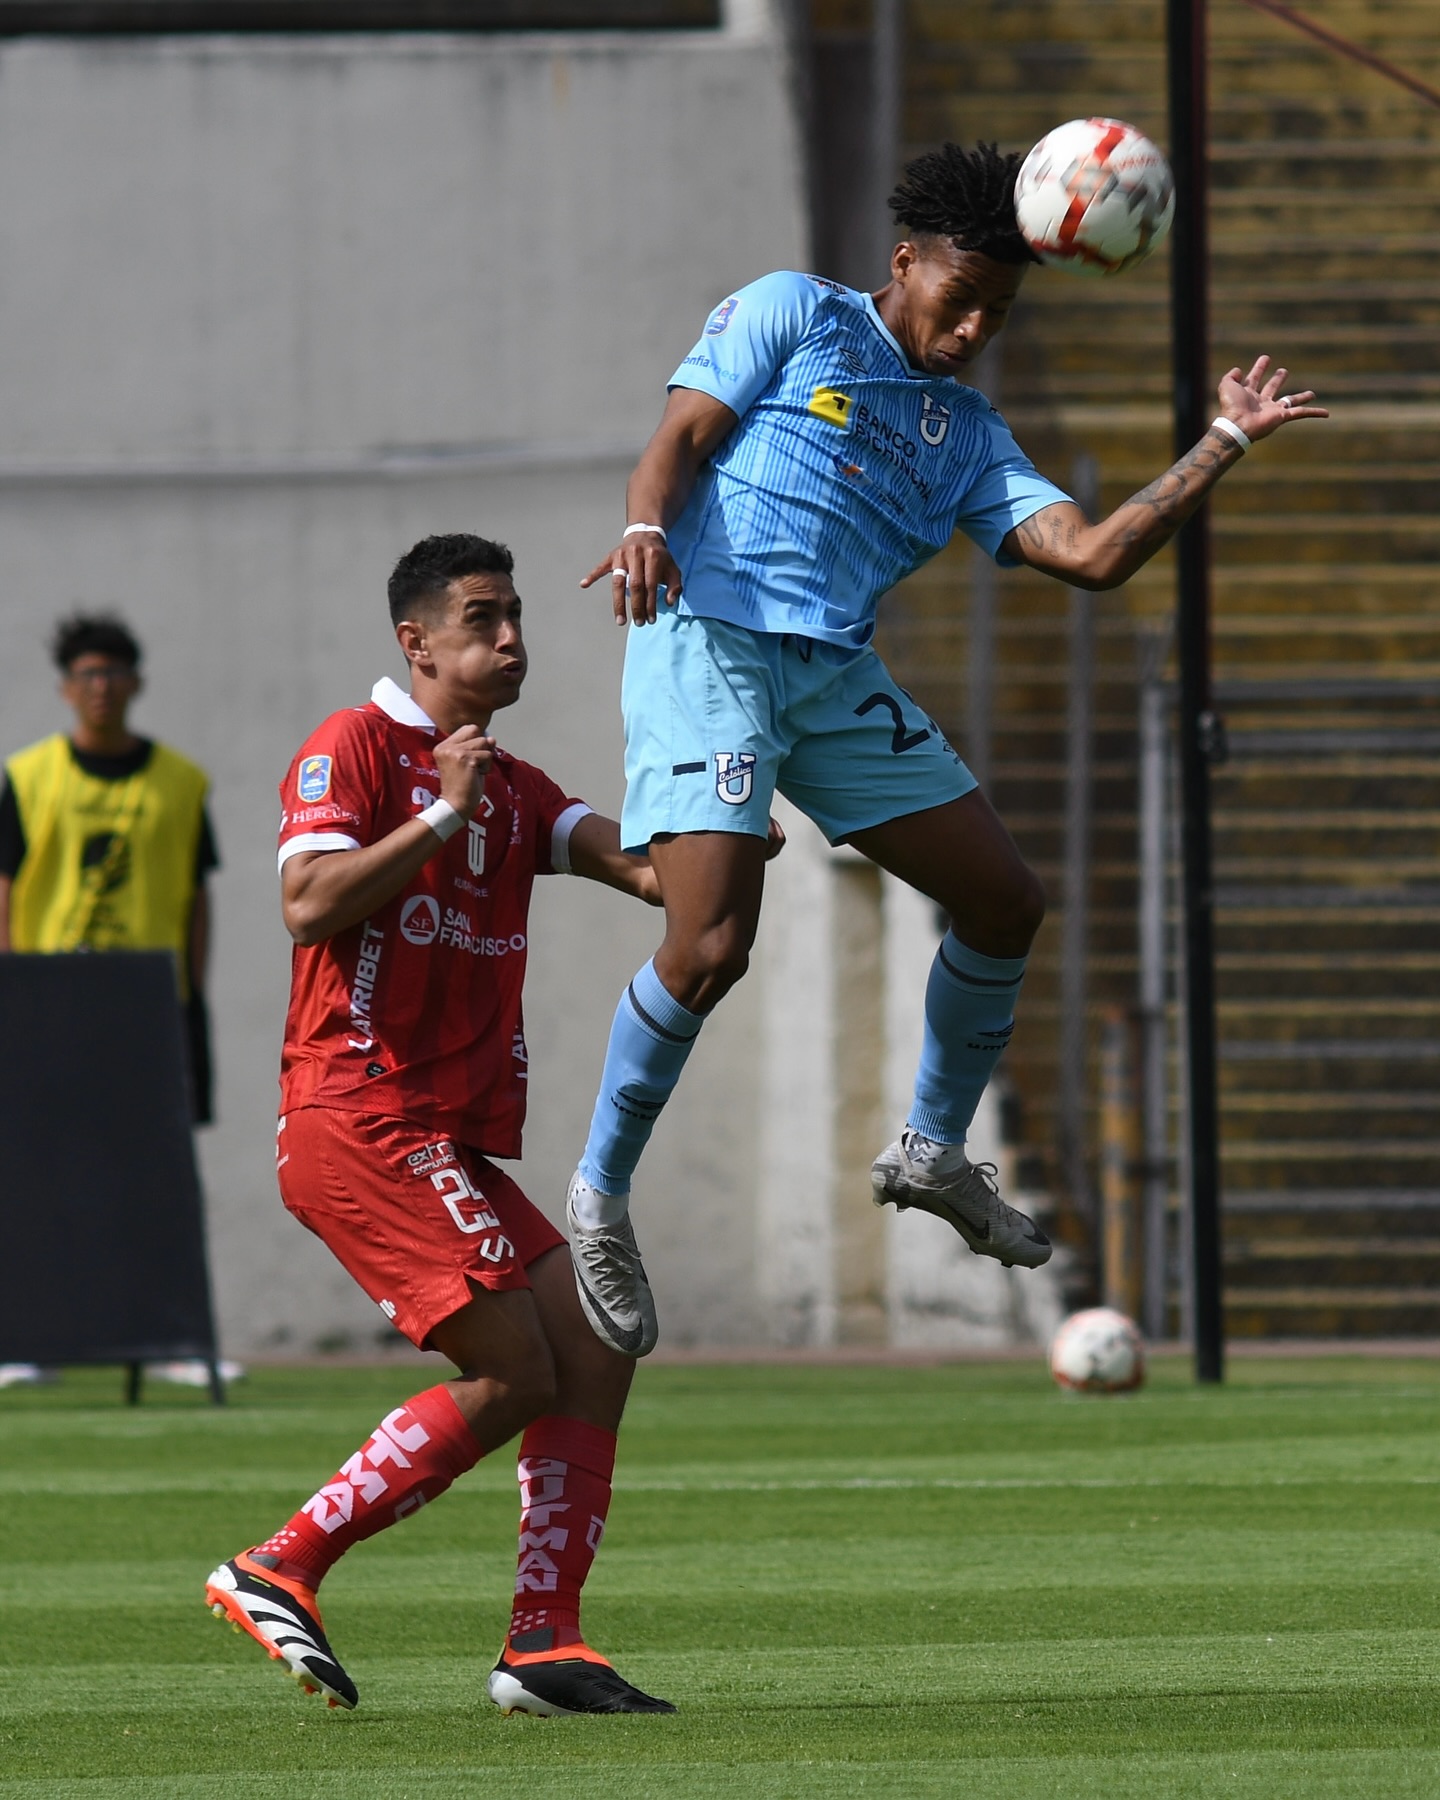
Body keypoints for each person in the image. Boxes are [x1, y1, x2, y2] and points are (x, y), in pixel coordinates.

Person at [564, 140, 1327, 1359]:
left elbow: (1092, 556)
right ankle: (599, 1197)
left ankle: (931, 1149)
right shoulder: (794, 312)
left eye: (999, 313)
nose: (973, 329)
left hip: (833, 677)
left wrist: (1223, 441)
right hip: (709, 636)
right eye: (957, 299)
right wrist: (647, 522)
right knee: (709, 944)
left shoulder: (968, 436)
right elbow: (683, 433)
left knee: (1005, 901)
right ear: (903, 261)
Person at [205, 533, 764, 1716]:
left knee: (597, 1340)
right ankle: (282, 1563)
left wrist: (730, 805)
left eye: (514, 616)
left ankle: (544, 1643)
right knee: (512, 1366)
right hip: (355, 1116)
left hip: (438, 1137)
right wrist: (436, 820)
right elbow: (306, 907)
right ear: (416, 643)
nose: (512, 640)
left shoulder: (513, 789)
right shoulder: (354, 748)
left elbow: (653, 873)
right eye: (482, 619)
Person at [0, 612, 225, 1390]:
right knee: (37, 1171)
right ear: (67, 689)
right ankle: (27, 1339)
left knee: (155, 1172)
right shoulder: (28, 777)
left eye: (114, 673)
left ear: (137, 683)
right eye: (87, 674)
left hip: (149, 1004)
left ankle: (167, 1336)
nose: (102, 687)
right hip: (49, 999)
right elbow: (6, 891)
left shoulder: (180, 781)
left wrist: (191, 1001)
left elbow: (198, 899)